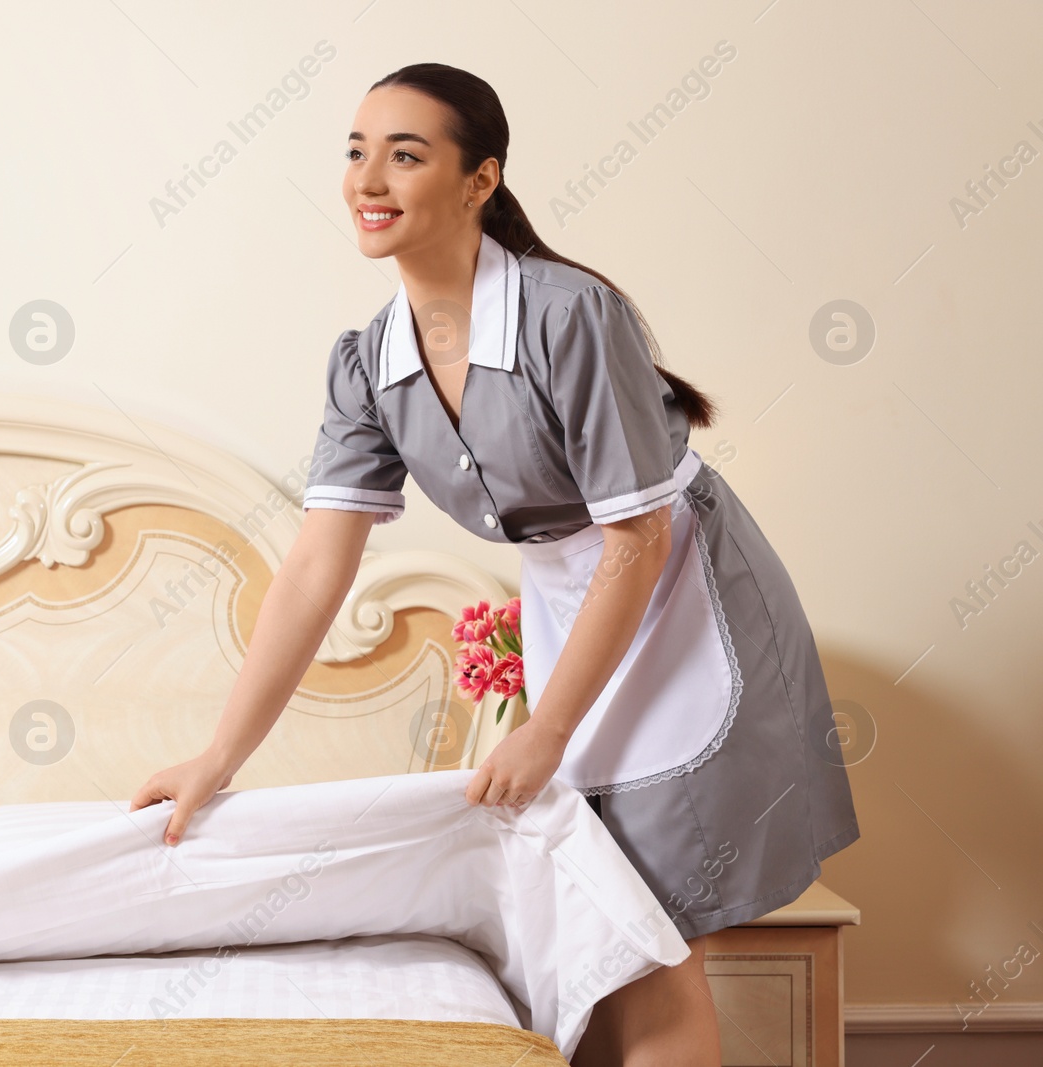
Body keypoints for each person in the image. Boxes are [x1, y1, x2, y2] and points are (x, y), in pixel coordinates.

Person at [130, 62, 860, 1066]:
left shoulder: (569, 315)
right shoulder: (367, 362)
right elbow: (314, 566)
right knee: (601, 922)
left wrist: (548, 724)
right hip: (579, 601)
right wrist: (219, 755)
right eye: (354, 151)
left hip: (684, 599)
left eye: (406, 153)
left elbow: (636, 537)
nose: (368, 178)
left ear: (480, 180)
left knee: (643, 924)